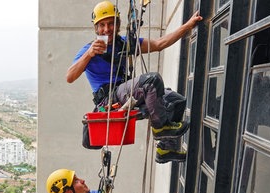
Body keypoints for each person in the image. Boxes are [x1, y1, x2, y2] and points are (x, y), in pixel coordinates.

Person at [66, 1, 202, 163]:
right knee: (151, 80)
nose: (106, 29)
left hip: (128, 94)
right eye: (101, 25)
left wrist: (188, 25)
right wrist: (89, 54)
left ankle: (165, 148)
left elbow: (159, 44)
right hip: (110, 98)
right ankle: (161, 128)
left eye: (111, 24)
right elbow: (70, 77)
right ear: (96, 28)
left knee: (176, 101)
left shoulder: (125, 44)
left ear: (118, 24)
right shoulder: (90, 50)